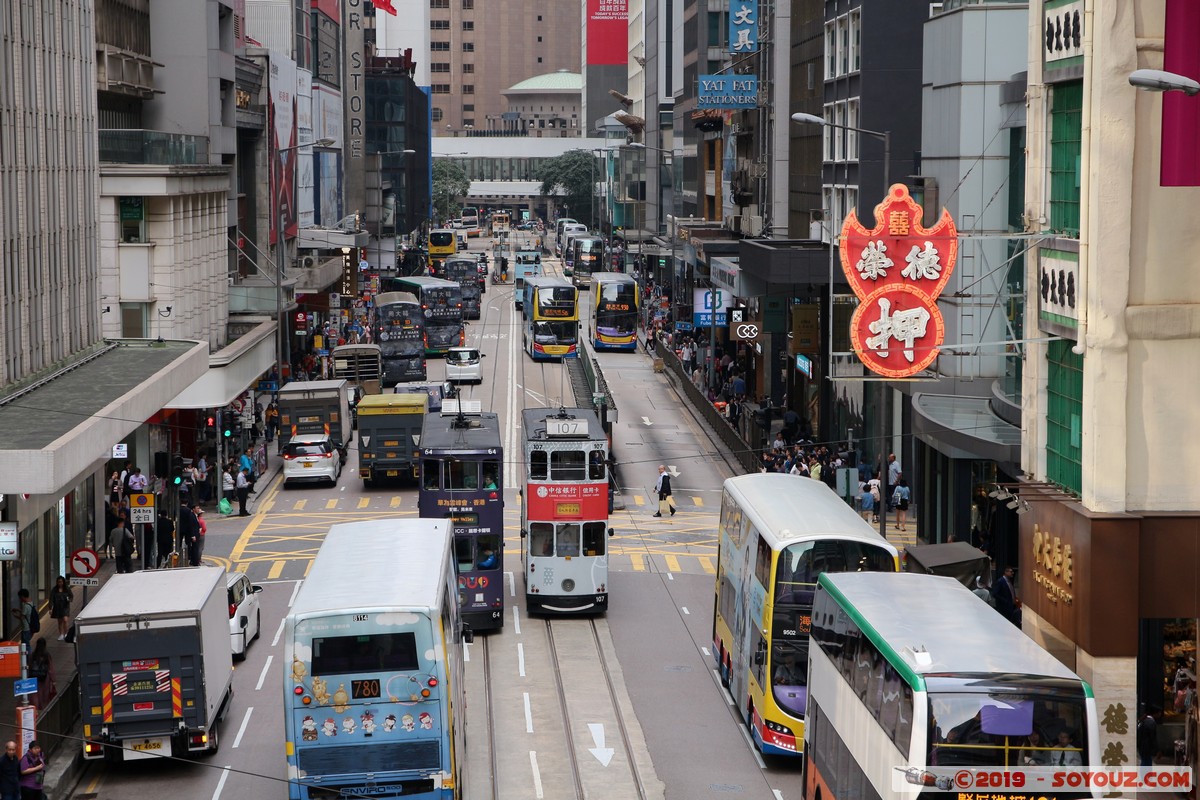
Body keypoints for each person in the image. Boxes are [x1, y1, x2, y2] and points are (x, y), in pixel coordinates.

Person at [28, 638, 55, 710]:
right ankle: (43, 708)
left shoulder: (33, 655)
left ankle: (36, 707)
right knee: (44, 693)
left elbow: (30, 666)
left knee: (35, 694)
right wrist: (53, 679)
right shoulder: (46, 655)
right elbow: (50, 669)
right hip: (44, 677)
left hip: (34, 677)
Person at [49, 576, 73, 641]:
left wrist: (69, 599)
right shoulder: (54, 589)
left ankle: (66, 633)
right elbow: (51, 599)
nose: (60, 583)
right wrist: (50, 608)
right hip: (57, 607)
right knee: (60, 621)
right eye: (59, 582)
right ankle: (61, 634)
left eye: (61, 582)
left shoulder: (67, 588)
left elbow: (71, 596)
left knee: (65, 620)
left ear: (63, 582)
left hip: (65, 607)